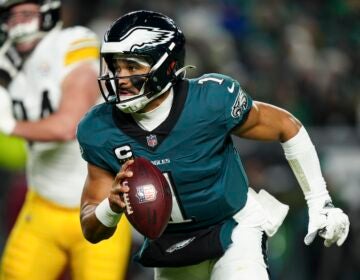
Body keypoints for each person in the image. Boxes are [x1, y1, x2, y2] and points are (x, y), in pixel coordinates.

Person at [76, 10, 350, 280]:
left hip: (232, 230)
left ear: (168, 65)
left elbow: (287, 126)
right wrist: (110, 207)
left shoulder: (211, 100)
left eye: (132, 66)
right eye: (116, 67)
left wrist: (319, 201)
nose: (120, 78)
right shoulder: (99, 128)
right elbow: (91, 228)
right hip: (171, 248)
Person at [0, 1, 132, 279]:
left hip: (101, 208)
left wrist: (9, 125)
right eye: (11, 16)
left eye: (26, 14)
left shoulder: (73, 43)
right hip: (42, 205)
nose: (18, 24)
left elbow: (68, 125)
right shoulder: (7, 59)